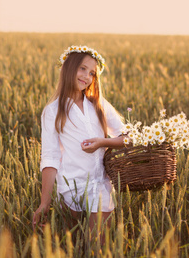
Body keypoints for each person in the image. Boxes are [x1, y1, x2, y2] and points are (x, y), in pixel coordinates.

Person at [32, 45, 125, 241]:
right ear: (68, 68)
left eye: (92, 73)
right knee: (72, 245)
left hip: (101, 186)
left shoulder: (99, 105)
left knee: (96, 246)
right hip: (70, 188)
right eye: (82, 68)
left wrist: (102, 142)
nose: (87, 76)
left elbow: (128, 137)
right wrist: (44, 203)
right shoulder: (53, 111)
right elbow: (50, 157)